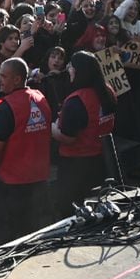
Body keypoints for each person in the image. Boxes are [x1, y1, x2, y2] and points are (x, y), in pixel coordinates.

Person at [0, 57, 53, 244]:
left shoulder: (6, 107)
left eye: (3, 76)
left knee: (7, 234)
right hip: (39, 178)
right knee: (35, 232)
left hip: (12, 184)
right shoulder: (40, 98)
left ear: (17, 79)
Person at [51, 50, 117, 213]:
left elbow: (68, 138)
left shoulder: (76, 101)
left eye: (71, 66)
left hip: (75, 166)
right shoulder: (108, 91)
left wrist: (52, 128)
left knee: (70, 210)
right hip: (100, 161)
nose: (69, 69)